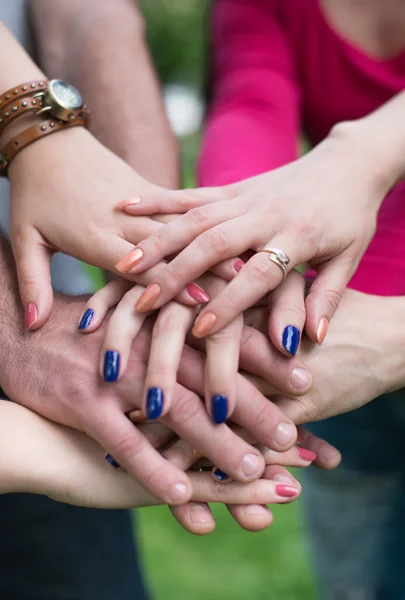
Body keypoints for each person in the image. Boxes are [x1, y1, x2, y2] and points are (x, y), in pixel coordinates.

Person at [110, 0, 405, 597]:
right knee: (357, 569)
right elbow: (253, 101)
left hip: (356, 322)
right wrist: (227, 263)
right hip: (327, 329)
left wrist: (360, 151)